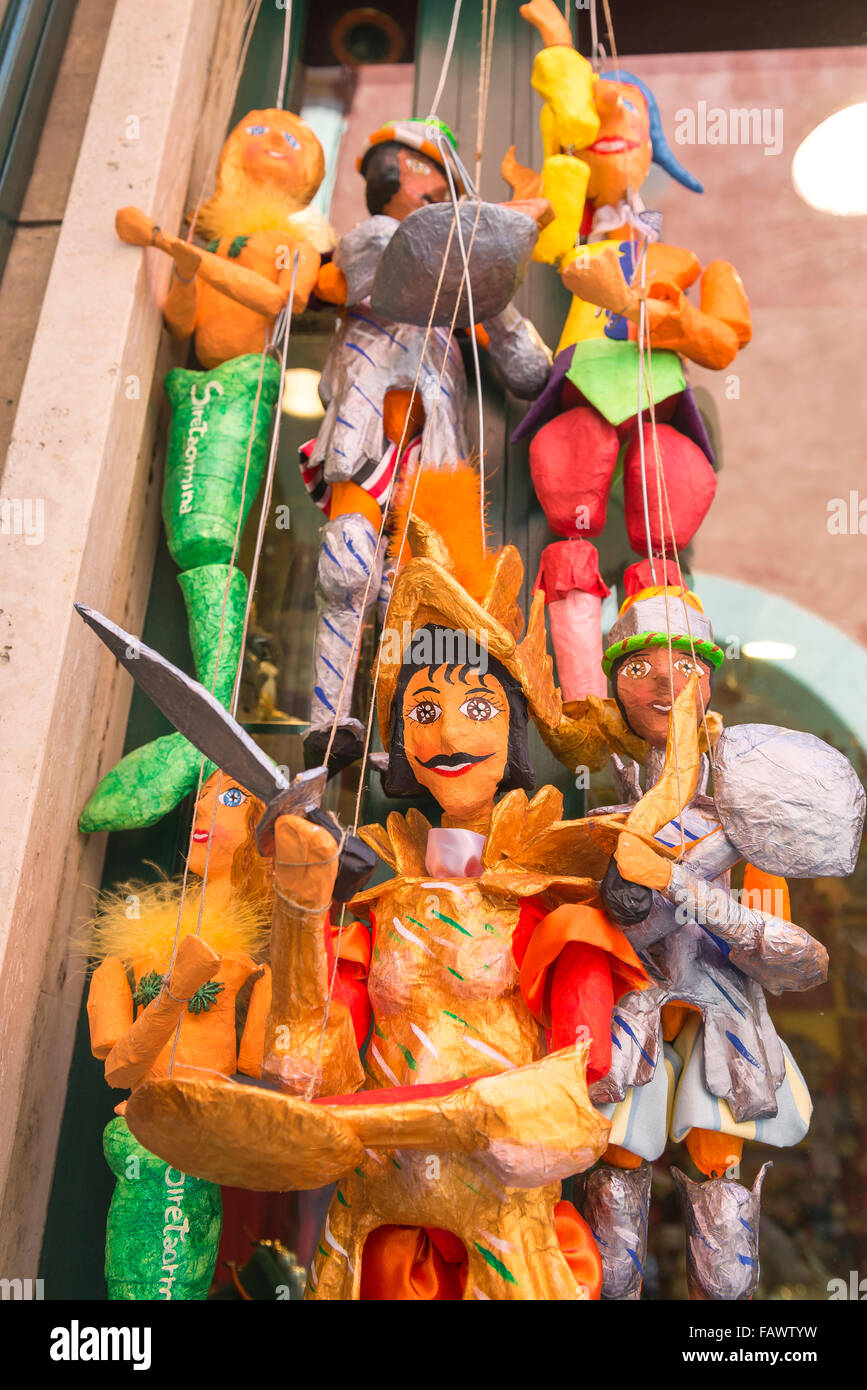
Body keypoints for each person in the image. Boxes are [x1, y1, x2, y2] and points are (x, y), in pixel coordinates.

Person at [121, 484, 673, 1301]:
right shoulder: (378, 888)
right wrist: (303, 908)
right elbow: (306, 1059)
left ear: (513, 731)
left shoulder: (555, 890)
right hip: (371, 1203)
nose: (447, 734)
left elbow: (576, 1083)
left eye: (477, 707)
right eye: (423, 710)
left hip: (500, 1203)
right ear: (398, 746)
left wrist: (391, 1121)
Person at [559, 584, 864, 1299]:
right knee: (615, 1175)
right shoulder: (600, 796)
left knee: (714, 1175)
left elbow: (791, 958)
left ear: (709, 677)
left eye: (685, 666)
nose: (664, 683)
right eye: (639, 669)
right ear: (613, 683)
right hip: (627, 1013)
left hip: (717, 1016)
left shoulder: (747, 799)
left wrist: (680, 884)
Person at [503, 0, 751, 703]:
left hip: (660, 404)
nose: (610, 126)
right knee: (569, 531)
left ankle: (664, 709)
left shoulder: (685, 260)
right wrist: (557, 46)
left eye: (630, 120)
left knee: (664, 541)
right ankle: (579, 697)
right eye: (598, 121)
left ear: (653, 149)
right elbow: (571, 133)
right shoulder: (569, 242)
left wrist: (660, 319)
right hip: (583, 391)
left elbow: (722, 340)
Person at [300, 117, 553, 769]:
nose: (429, 185)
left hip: (432, 450)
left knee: (413, 593)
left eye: (434, 174)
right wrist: (504, 227)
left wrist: (497, 296)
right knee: (348, 566)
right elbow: (414, 260)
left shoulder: (464, 279)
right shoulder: (375, 238)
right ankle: (329, 722)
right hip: (366, 431)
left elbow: (528, 371)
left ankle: (398, 739)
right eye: (421, 172)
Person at [86, 770, 273, 1299]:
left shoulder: (261, 967)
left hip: (197, 1144)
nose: (204, 810)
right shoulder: (131, 953)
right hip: (144, 1140)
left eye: (232, 798)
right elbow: (119, 1068)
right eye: (205, 796)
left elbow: (268, 1065)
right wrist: (172, 995)